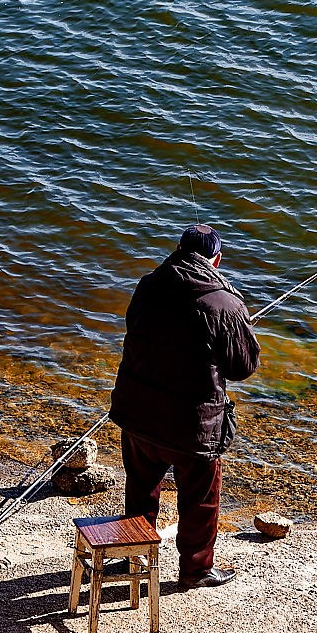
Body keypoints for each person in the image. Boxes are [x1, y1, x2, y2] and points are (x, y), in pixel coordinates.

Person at [109, 223, 260, 589]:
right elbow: (243, 367)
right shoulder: (224, 303)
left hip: (138, 412)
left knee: (142, 487)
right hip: (192, 426)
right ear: (217, 260)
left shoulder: (148, 285)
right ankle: (195, 571)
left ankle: (135, 556)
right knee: (201, 499)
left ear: (178, 250)